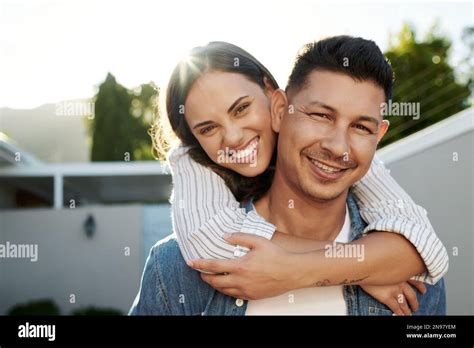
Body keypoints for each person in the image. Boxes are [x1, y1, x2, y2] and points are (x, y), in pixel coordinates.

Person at [130, 37, 446, 315]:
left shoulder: (408, 278)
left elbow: (425, 246)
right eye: (321, 115)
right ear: (281, 109)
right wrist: (362, 268)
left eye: (362, 127)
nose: (338, 148)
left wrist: (307, 270)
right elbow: (211, 239)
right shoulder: (177, 265)